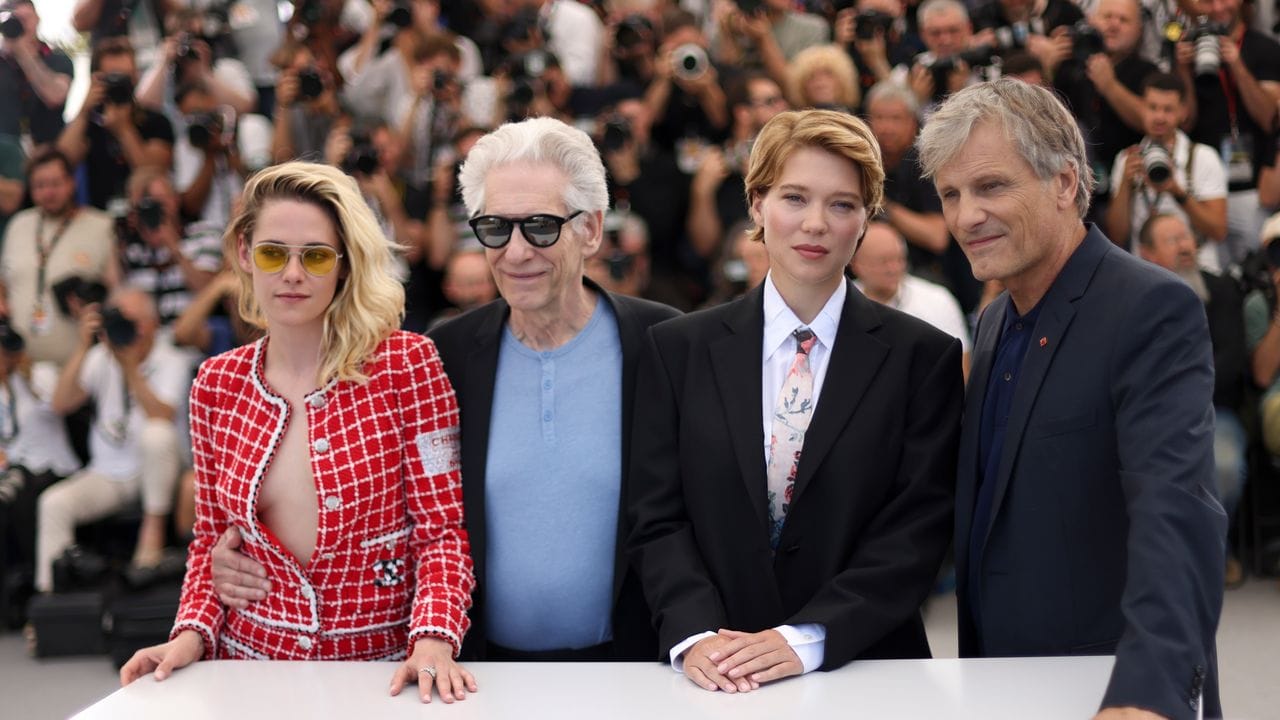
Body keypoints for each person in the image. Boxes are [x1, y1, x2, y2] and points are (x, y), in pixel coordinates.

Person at [208, 118, 678, 662]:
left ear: (592, 229)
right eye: (496, 228)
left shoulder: (663, 341)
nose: (517, 251)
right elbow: (376, 508)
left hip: (635, 670)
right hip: (475, 672)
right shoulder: (446, 351)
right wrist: (245, 552)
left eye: (542, 227)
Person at [918, 77, 1226, 720]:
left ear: (1064, 182)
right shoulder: (995, 319)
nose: (965, 216)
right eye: (950, 194)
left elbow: (1175, 514)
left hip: (1110, 689)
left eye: (991, 186)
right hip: (1002, 685)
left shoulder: (1149, 308)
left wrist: (1147, 692)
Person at [627, 109, 962, 693]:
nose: (816, 224)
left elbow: (918, 529)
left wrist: (809, 635)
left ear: (865, 219)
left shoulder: (923, 357)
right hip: (714, 678)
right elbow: (657, 516)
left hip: (868, 672)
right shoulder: (677, 349)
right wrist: (695, 633)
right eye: (795, 197)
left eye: (841, 204)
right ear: (756, 204)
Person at [118, 161, 476, 703]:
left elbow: (441, 532)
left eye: (314, 256)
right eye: (271, 253)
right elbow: (213, 543)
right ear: (244, 254)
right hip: (250, 673)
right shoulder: (217, 383)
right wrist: (189, 633)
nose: (291, 274)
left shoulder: (408, 364)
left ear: (344, 265)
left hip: (383, 677)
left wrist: (432, 639)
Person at [40, 287, 190, 591]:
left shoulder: (171, 358)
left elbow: (161, 414)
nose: (123, 327)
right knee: (54, 503)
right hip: (109, 475)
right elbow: (61, 403)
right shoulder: (99, 357)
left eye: (130, 320)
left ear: (151, 324)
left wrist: (131, 368)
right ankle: (52, 599)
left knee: (157, 433)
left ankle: (152, 538)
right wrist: (83, 347)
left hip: (160, 474)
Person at [1136, 212, 1246, 588]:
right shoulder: (1134, 300)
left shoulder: (1223, 289)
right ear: (1147, 254)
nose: (1185, 246)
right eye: (1172, 241)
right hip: (1149, 413)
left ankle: (1218, 549)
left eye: (1187, 238)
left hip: (1215, 409)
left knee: (1226, 466)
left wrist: (1181, 392)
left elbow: (1232, 359)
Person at [0, 148, 116, 366]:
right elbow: (3, 281)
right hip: (21, 368)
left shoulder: (102, 226)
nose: (48, 193)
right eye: (40, 186)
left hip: (78, 368)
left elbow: (116, 290)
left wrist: (94, 306)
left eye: (55, 183)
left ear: (72, 182)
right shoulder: (19, 224)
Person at [850, 221, 972, 378]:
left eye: (899, 259)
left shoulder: (938, 300)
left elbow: (961, 371)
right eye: (883, 262)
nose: (893, 268)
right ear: (856, 265)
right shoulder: (841, 304)